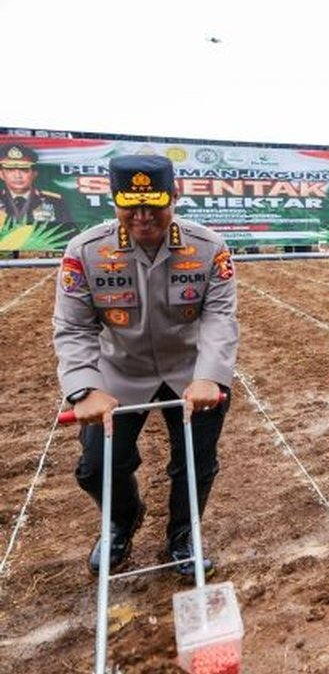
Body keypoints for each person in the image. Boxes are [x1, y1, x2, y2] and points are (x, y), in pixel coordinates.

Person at [53, 155, 238, 577]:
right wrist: (84, 388)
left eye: (154, 202)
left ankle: (182, 535)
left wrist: (210, 376)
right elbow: (73, 326)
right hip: (119, 372)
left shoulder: (209, 248)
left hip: (192, 372)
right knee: (97, 467)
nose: (141, 215)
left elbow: (219, 317)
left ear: (174, 195)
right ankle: (121, 519)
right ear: (112, 199)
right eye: (129, 204)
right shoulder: (86, 252)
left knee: (196, 463)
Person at [0, 143, 70, 227]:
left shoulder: (54, 201)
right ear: (1, 175)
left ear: (34, 174)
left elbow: (69, 233)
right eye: (10, 170)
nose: (17, 176)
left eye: (24, 169)